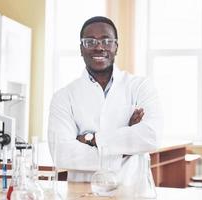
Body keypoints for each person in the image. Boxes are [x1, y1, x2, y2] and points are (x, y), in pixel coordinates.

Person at [48, 16, 162, 182]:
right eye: (90, 41)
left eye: (106, 40)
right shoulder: (63, 97)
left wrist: (92, 139)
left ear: (116, 47)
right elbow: (62, 154)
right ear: (81, 48)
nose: (99, 47)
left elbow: (152, 136)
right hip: (84, 192)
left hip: (132, 189)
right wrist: (128, 146)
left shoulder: (140, 86)